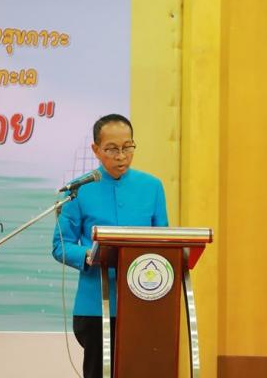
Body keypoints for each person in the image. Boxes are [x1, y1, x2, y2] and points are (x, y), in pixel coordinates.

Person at [52, 114, 168, 378]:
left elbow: (163, 243)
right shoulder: (78, 190)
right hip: (95, 305)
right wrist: (89, 255)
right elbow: (60, 245)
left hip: (144, 302)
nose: (121, 156)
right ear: (95, 149)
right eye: (112, 149)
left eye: (128, 147)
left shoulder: (152, 187)